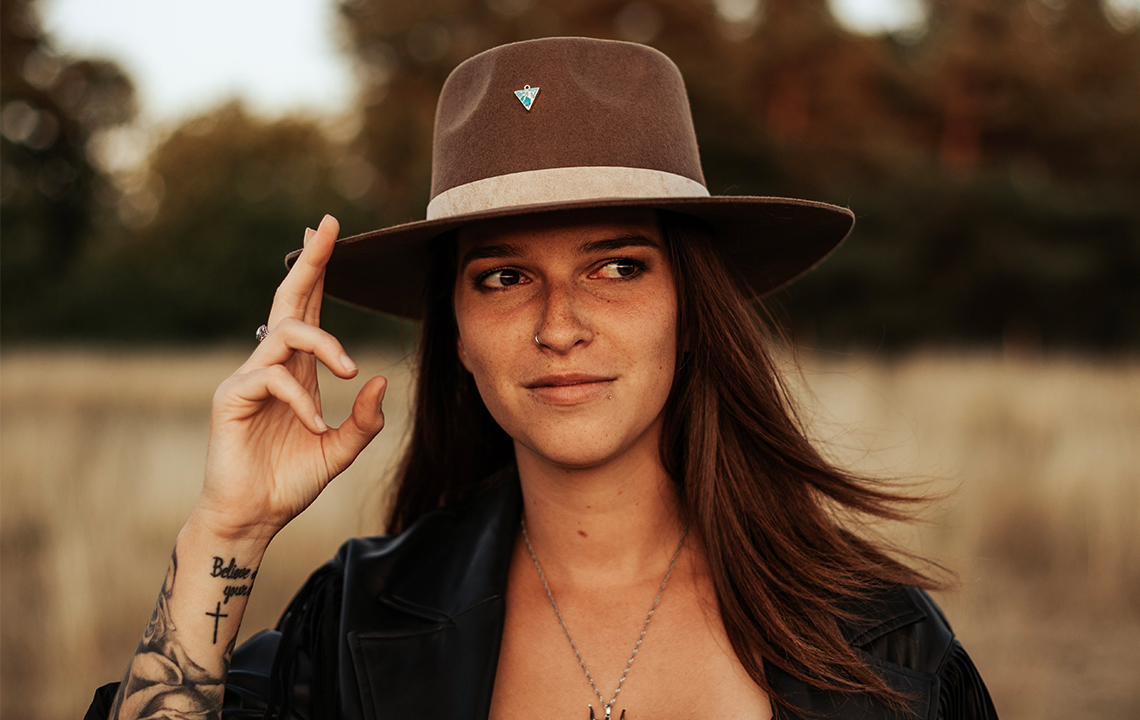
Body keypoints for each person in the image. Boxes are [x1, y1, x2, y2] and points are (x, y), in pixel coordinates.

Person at [87, 37, 998, 720]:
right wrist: (231, 528)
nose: (559, 326)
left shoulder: (883, 641)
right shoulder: (362, 623)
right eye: (504, 277)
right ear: (458, 329)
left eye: (618, 266)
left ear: (693, 305)